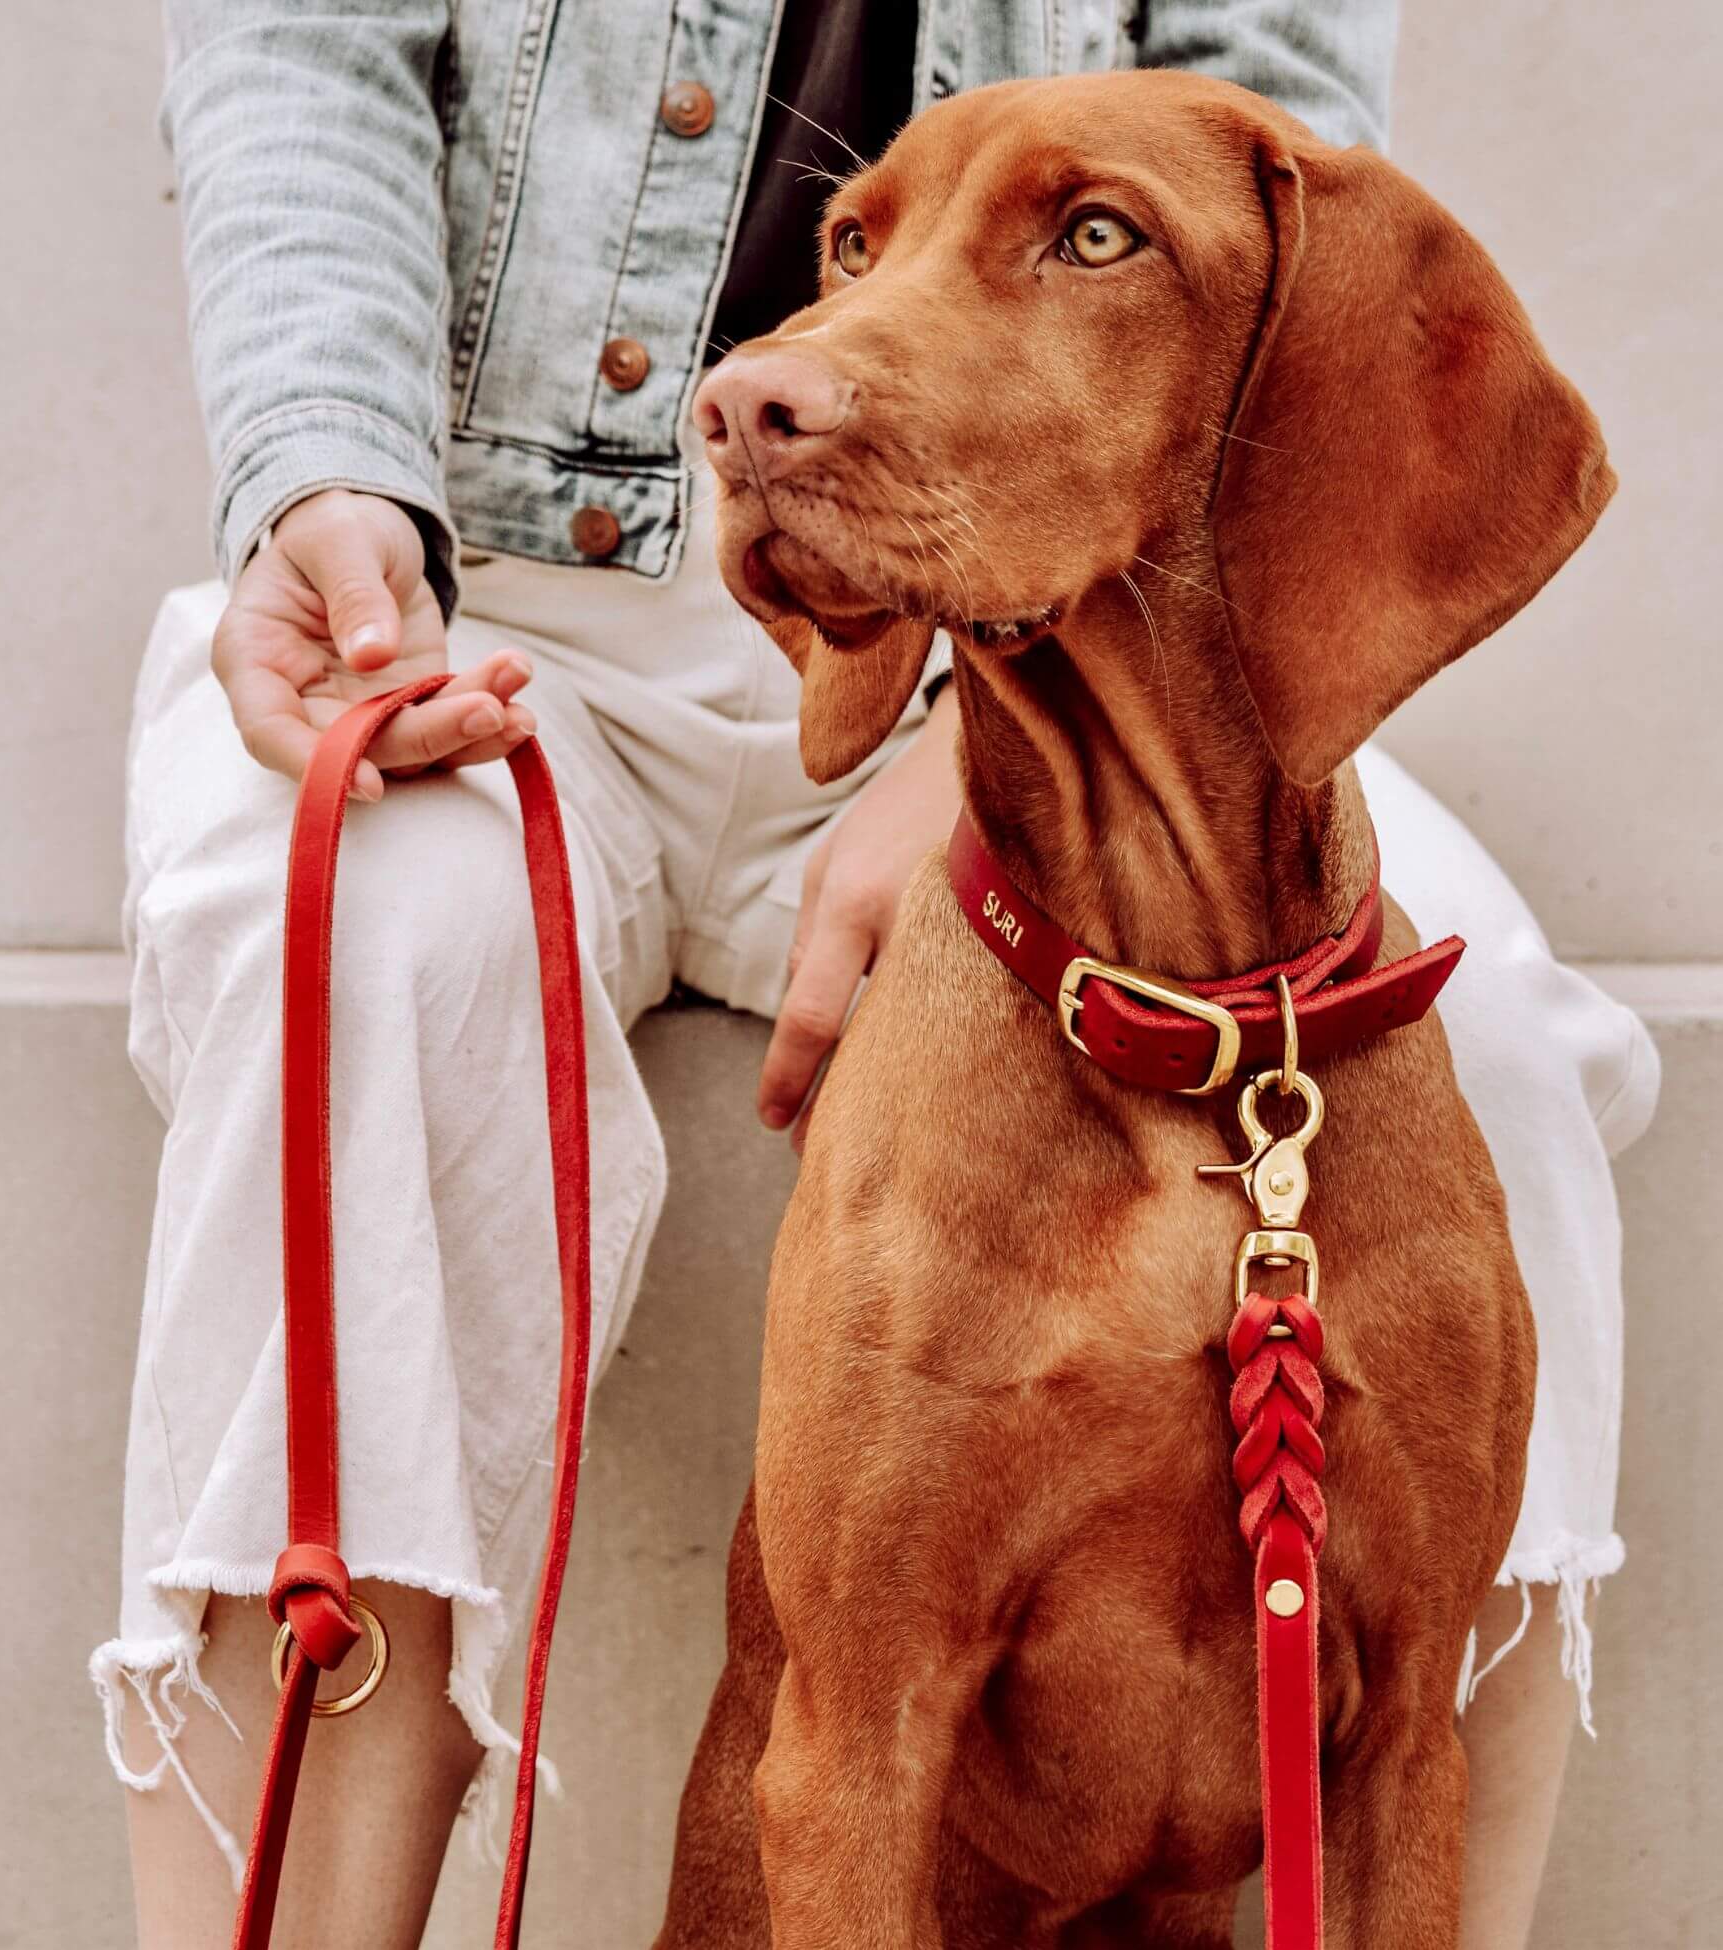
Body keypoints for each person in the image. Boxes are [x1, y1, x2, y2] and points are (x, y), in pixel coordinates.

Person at [92, 4, 1659, 1945]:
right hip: (490, 596)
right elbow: (299, 46)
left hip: (1051, 632)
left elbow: (1264, 152)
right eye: (854, 249)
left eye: (1082, 234)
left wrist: (968, 723)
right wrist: (320, 471)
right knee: (358, 958)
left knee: (1488, 1036)